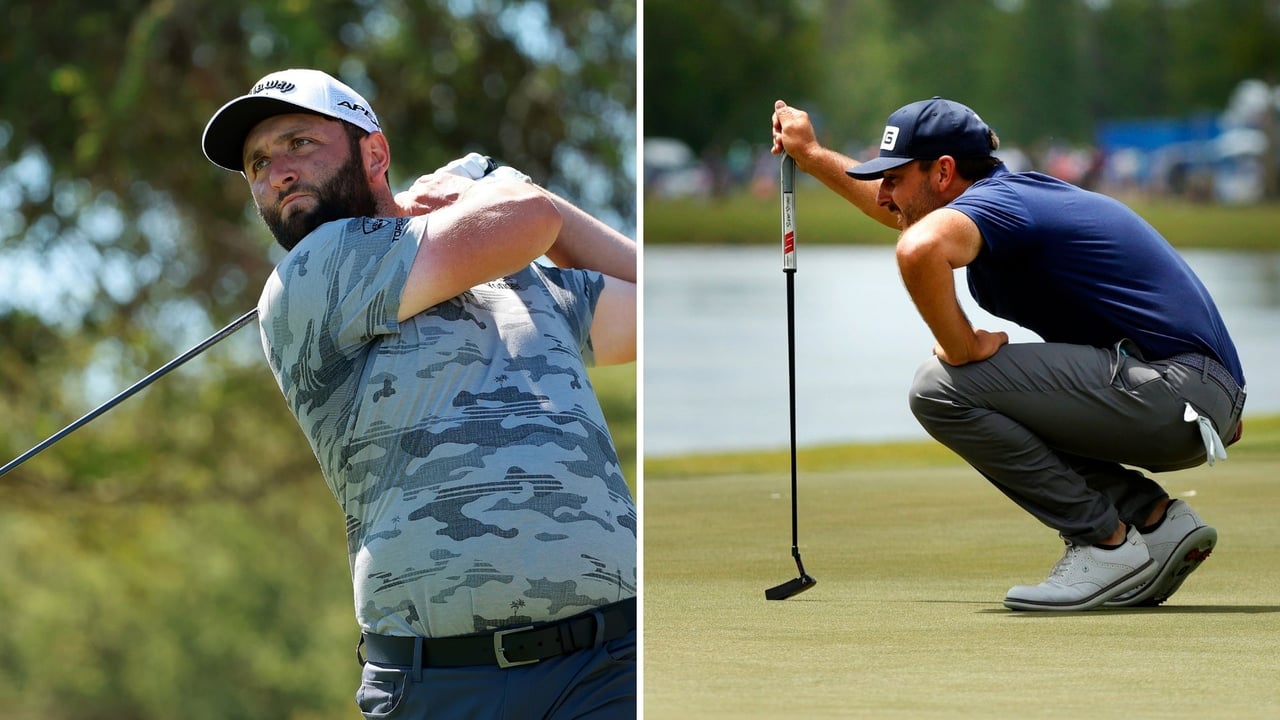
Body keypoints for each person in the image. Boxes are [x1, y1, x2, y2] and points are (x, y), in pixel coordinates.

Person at [202, 68, 636, 717]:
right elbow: (529, 218)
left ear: (374, 154)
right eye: (258, 163)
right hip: (444, 684)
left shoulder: (517, 278)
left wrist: (505, 188)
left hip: (609, 667)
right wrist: (490, 182)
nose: (278, 173)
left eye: (298, 143)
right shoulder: (312, 272)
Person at [771, 96, 1245, 612]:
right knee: (994, 396)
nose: (884, 195)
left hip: (1176, 394)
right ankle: (1153, 521)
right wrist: (811, 154)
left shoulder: (1001, 204)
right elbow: (906, 218)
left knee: (940, 389)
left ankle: (1105, 545)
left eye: (894, 178)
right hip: (1191, 397)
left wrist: (964, 345)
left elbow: (918, 247)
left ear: (943, 172)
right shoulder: (1006, 204)